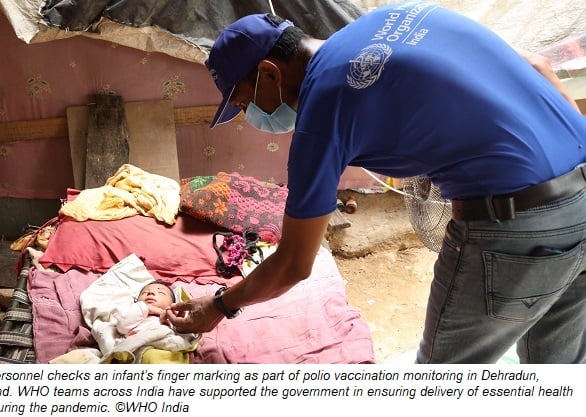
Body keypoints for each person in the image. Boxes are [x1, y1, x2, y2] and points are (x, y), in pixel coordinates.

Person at [166, 2, 586, 364]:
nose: (248, 116)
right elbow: (538, 65)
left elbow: (293, 264)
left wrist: (219, 305)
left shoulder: (322, 111)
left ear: (269, 73)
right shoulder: (395, 15)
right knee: (560, 368)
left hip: (514, 226)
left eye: (243, 101)